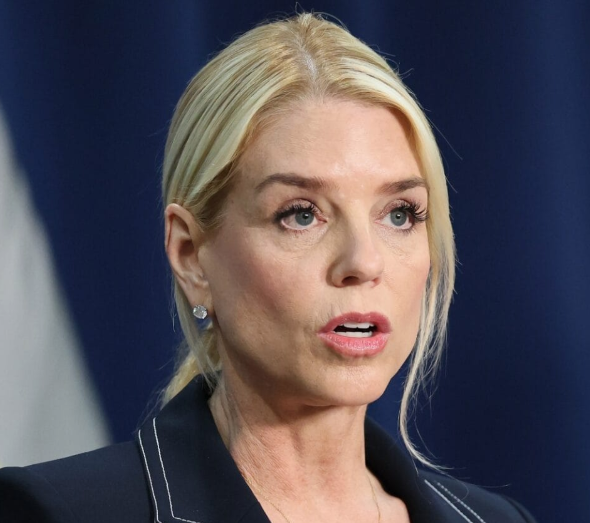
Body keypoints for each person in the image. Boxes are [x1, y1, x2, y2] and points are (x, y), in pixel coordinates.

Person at [0, 13, 536, 523]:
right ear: (190, 255)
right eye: (301, 214)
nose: (363, 262)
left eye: (399, 214)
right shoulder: (59, 512)